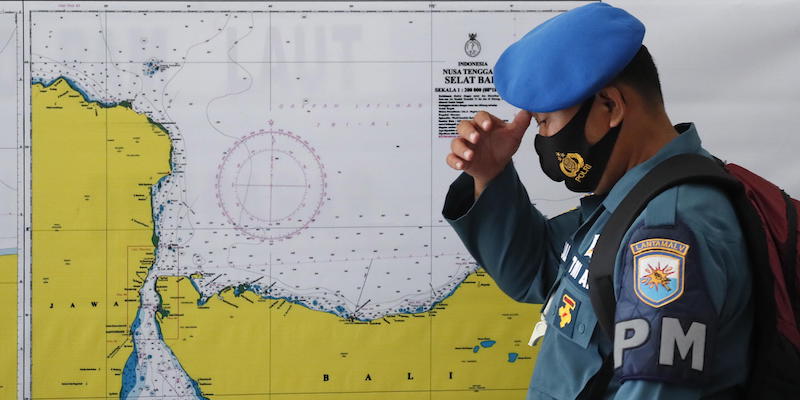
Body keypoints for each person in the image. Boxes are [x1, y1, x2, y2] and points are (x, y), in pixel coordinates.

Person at [441, 3, 752, 399]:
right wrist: (490, 174)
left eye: (545, 122)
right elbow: (534, 270)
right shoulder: (630, 201)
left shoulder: (667, 232)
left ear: (610, 106)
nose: (543, 140)